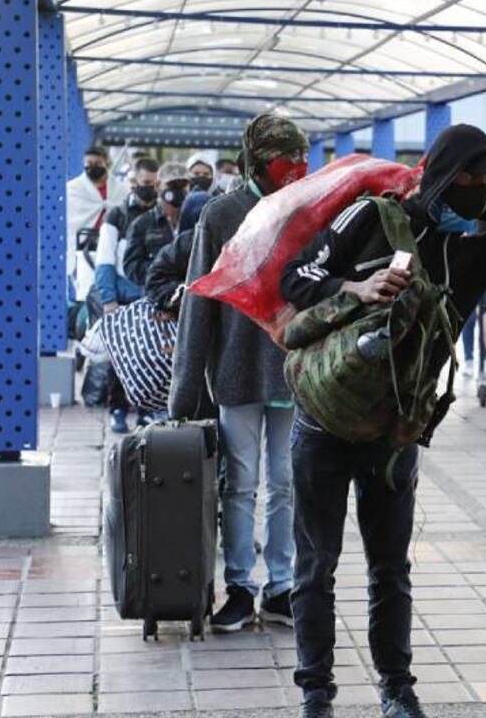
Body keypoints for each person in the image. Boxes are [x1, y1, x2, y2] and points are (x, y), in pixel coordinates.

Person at [279, 123, 486, 718]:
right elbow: (296, 278)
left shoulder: (473, 250)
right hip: (324, 421)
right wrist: (355, 286)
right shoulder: (371, 217)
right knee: (316, 565)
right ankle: (316, 692)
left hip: (395, 430)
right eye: (480, 176)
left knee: (391, 568)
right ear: (448, 174)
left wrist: (480, 203)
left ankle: (397, 689)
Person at [170, 114, 311, 638]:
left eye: (300, 156)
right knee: (240, 485)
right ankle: (240, 588)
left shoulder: (307, 208)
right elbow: (198, 299)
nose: (294, 167)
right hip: (235, 372)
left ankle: (279, 587)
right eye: (284, 156)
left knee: (286, 484)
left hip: (292, 373)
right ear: (257, 159)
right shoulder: (221, 213)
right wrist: (184, 391)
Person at [96, 156, 160, 433]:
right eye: (146, 183)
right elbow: (105, 261)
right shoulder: (117, 215)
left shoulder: (161, 214)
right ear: (133, 182)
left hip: (152, 299)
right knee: (119, 358)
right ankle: (118, 409)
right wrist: (108, 300)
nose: (151, 189)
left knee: (151, 356)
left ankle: (146, 411)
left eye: (154, 184)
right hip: (122, 300)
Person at [66, 146, 125, 306]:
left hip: (109, 247)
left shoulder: (121, 189)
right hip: (82, 248)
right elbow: (70, 222)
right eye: (88, 163)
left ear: (107, 163)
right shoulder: (73, 189)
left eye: (98, 163)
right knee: (83, 292)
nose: (93, 167)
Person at [123, 163, 189, 288]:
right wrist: (163, 268)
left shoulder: (196, 221)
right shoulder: (142, 224)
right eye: (172, 185)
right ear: (158, 186)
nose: (177, 191)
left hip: (188, 293)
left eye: (182, 186)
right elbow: (132, 268)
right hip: (155, 293)